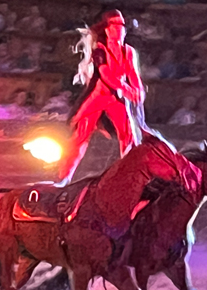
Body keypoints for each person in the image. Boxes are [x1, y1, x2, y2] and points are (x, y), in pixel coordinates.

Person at [59, 10, 146, 185]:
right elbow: (105, 74)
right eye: (114, 26)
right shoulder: (99, 50)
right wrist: (126, 88)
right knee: (80, 137)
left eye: (121, 26)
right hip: (97, 98)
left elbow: (133, 75)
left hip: (116, 99)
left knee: (128, 136)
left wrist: (138, 92)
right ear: (106, 30)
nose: (118, 30)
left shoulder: (128, 52)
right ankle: (63, 178)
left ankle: (131, 177)